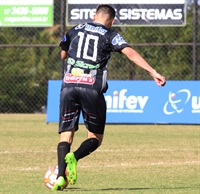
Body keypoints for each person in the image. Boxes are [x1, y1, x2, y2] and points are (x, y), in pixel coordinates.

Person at [52, 4, 166, 191]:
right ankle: (75, 157)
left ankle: (59, 177)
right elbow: (130, 53)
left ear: (94, 15)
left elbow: (63, 54)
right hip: (91, 88)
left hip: (68, 86)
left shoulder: (75, 29)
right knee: (95, 138)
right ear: (112, 21)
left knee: (66, 135)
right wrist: (153, 72)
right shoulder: (110, 34)